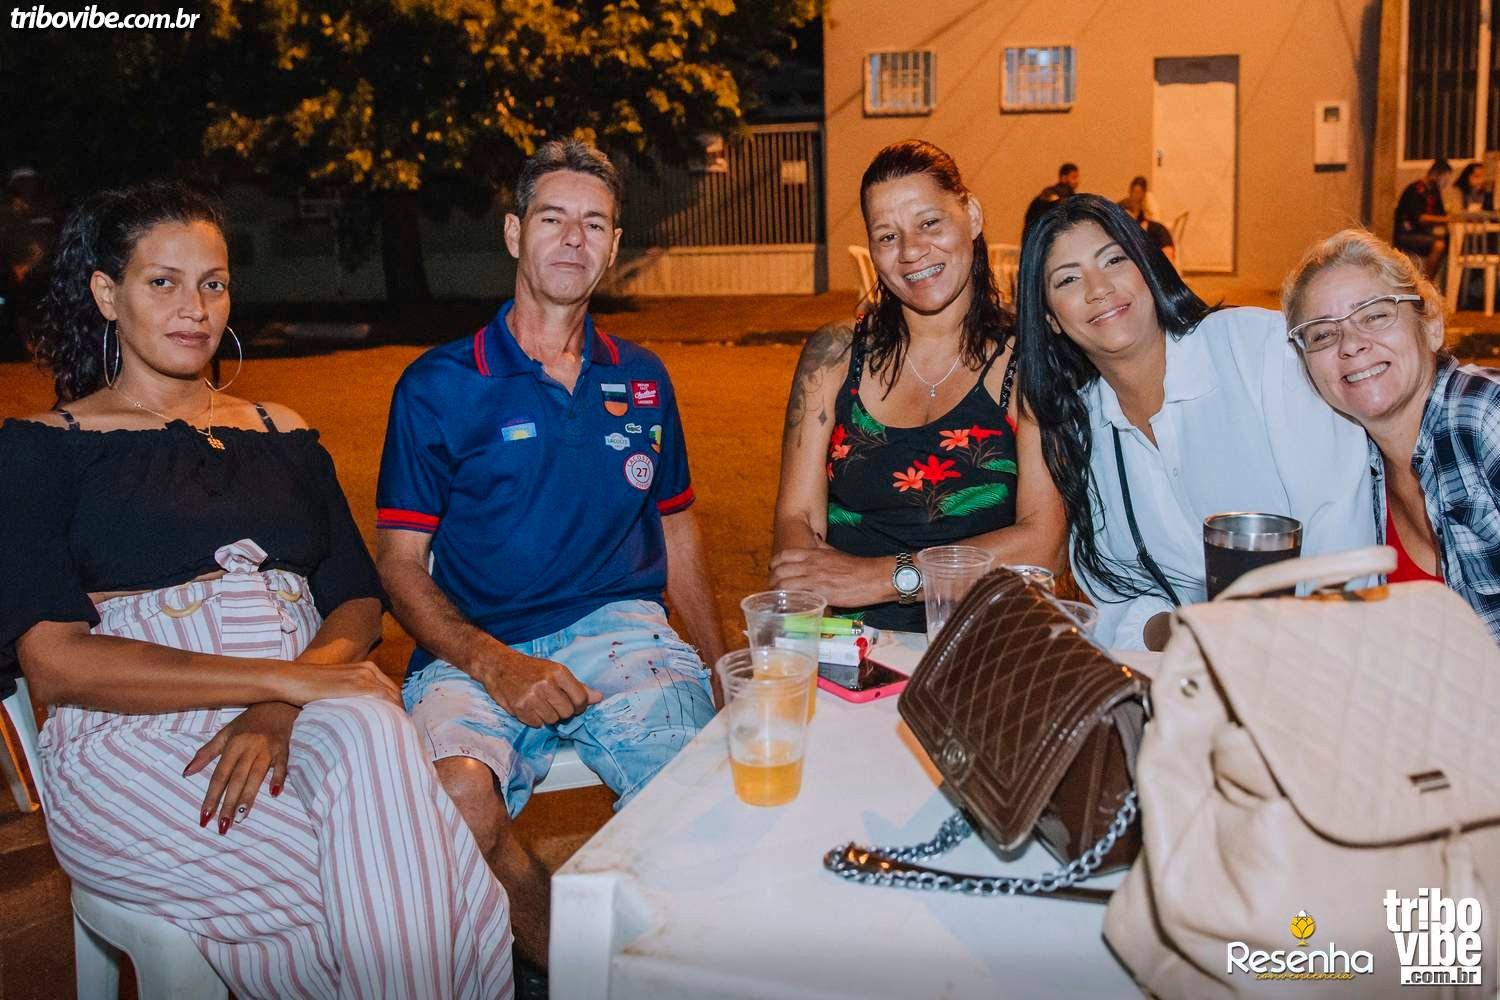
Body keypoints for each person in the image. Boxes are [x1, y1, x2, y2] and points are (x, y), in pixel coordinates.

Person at [0, 180, 514, 998]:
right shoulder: (43, 450)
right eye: (162, 282)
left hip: (302, 710)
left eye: (213, 283)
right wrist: (283, 683)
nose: (194, 308)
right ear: (106, 294)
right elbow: (57, 664)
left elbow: (356, 599)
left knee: (373, 732)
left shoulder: (282, 431)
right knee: (398, 881)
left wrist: (282, 701)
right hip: (135, 734)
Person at [375, 138, 724, 970]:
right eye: (552, 219)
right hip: (474, 644)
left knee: (699, 794)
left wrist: (720, 669)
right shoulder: (438, 384)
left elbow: (677, 528)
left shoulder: (643, 377)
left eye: (594, 224)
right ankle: (563, 962)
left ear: (613, 244)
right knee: (456, 801)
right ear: (513, 233)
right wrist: (494, 664)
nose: (574, 239)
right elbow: (398, 564)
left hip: (623, 630)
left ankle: (664, 968)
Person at [1014, 195, 1375, 651]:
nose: (1098, 288)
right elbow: (1114, 598)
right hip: (1187, 672)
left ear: (1147, 267)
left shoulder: (1257, 351)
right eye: (1068, 279)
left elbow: (1341, 539)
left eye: (1114, 260)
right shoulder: (1082, 429)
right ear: (1051, 318)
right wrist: (1190, 630)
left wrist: (1279, 650)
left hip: (1325, 654)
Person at [772, 140, 1066, 632]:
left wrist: (886, 578)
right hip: (851, 644)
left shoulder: (1028, 360)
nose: (910, 251)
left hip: (981, 645)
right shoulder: (835, 355)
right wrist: (805, 606)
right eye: (887, 236)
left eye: (929, 223)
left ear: (972, 216)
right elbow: (796, 516)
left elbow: (1044, 545)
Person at [1284, 229, 1500, 642]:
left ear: (1431, 326)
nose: (1351, 344)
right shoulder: (1352, 470)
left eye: (1374, 315)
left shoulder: (1485, 416)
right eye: (1323, 334)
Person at [1394, 158, 1452, 280]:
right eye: (1444, 178)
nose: (1445, 183)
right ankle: (1426, 282)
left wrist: (1448, 217)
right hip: (1407, 235)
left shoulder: (1434, 191)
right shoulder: (1415, 189)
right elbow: (1421, 219)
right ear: (1436, 173)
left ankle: (1439, 281)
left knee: (1449, 244)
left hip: (1424, 235)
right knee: (1439, 245)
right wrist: (1447, 219)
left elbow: (1441, 214)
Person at [1023, 161, 1081, 238]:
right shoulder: (1051, 193)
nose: (1077, 181)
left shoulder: (1067, 196)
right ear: (1064, 178)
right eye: (1073, 177)